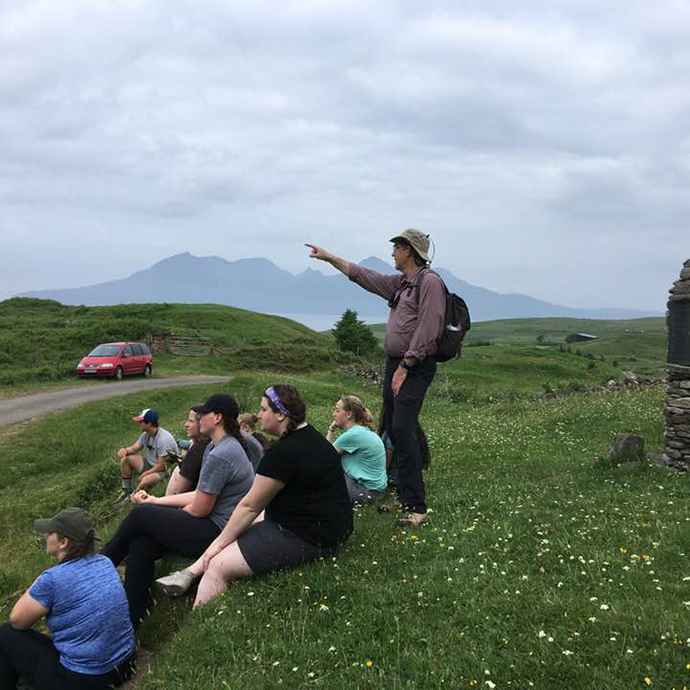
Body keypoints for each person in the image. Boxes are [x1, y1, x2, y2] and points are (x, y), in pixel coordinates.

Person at [155, 384, 353, 608]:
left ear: (280, 414)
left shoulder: (282, 453)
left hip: (310, 537)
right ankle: (190, 571)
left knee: (218, 566)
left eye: (263, 409)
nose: (258, 415)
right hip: (333, 529)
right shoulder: (312, 438)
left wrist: (216, 545)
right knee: (245, 525)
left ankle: (199, 621)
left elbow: (249, 506)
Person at [307, 229, 445, 526]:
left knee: (402, 427)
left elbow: (430, 326)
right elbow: (363, 276)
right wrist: (330, 257)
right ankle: (404, 493)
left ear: (409, 250)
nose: (393, 252)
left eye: (397, 247)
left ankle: (417, 507)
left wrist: (407, 365)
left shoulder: (429, 282)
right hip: (395, 362)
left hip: (414, 365)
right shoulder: (401, 284)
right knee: (394, 429)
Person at [101, 394, 254, 626]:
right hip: (216, 526)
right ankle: (134, 617)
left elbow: (200, 509)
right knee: (140, 544)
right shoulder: (220, 445)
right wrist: (155, 502)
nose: (199, 418)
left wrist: (160, 513)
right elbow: (201, 493)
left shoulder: (221, 454)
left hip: (214, 532)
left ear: (218, 418)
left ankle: (97, 566)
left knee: (140, 515)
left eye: (203, 414)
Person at [0, 508, 136, 690]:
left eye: (50, 532)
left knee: (5, 634)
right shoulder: (104, 562)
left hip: (87, 680)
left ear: (63, 542)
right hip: (126, 665)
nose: (45, 535)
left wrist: (38, 584)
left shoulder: (52, 579)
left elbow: (17, 621)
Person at [327, 395, 387, 504]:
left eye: (337, 410)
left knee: (326, 468)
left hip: (364, 492)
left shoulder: (354, 434)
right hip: (377, 492)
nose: (333, 414)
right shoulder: (364, 431)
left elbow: (324, 456)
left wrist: (331, 430)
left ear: (349, 414)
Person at [114, 407, 178, 506]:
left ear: (149, 423)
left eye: (141, 422)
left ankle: (133, 498)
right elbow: (135, 448)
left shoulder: (164, 439)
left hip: (165, 470)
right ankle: (126, 491)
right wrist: (125, 450)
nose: (139, 424)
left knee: (144, 480)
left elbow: (163, 465)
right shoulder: (146, 434)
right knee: (125, 460)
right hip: (151, 464)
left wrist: (146, 473)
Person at [165, 406, 212, 496]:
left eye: (191, 421)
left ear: (202, 424)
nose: (186, 424)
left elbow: (179, 490)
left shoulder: (197, 450)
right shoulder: (212, 443)